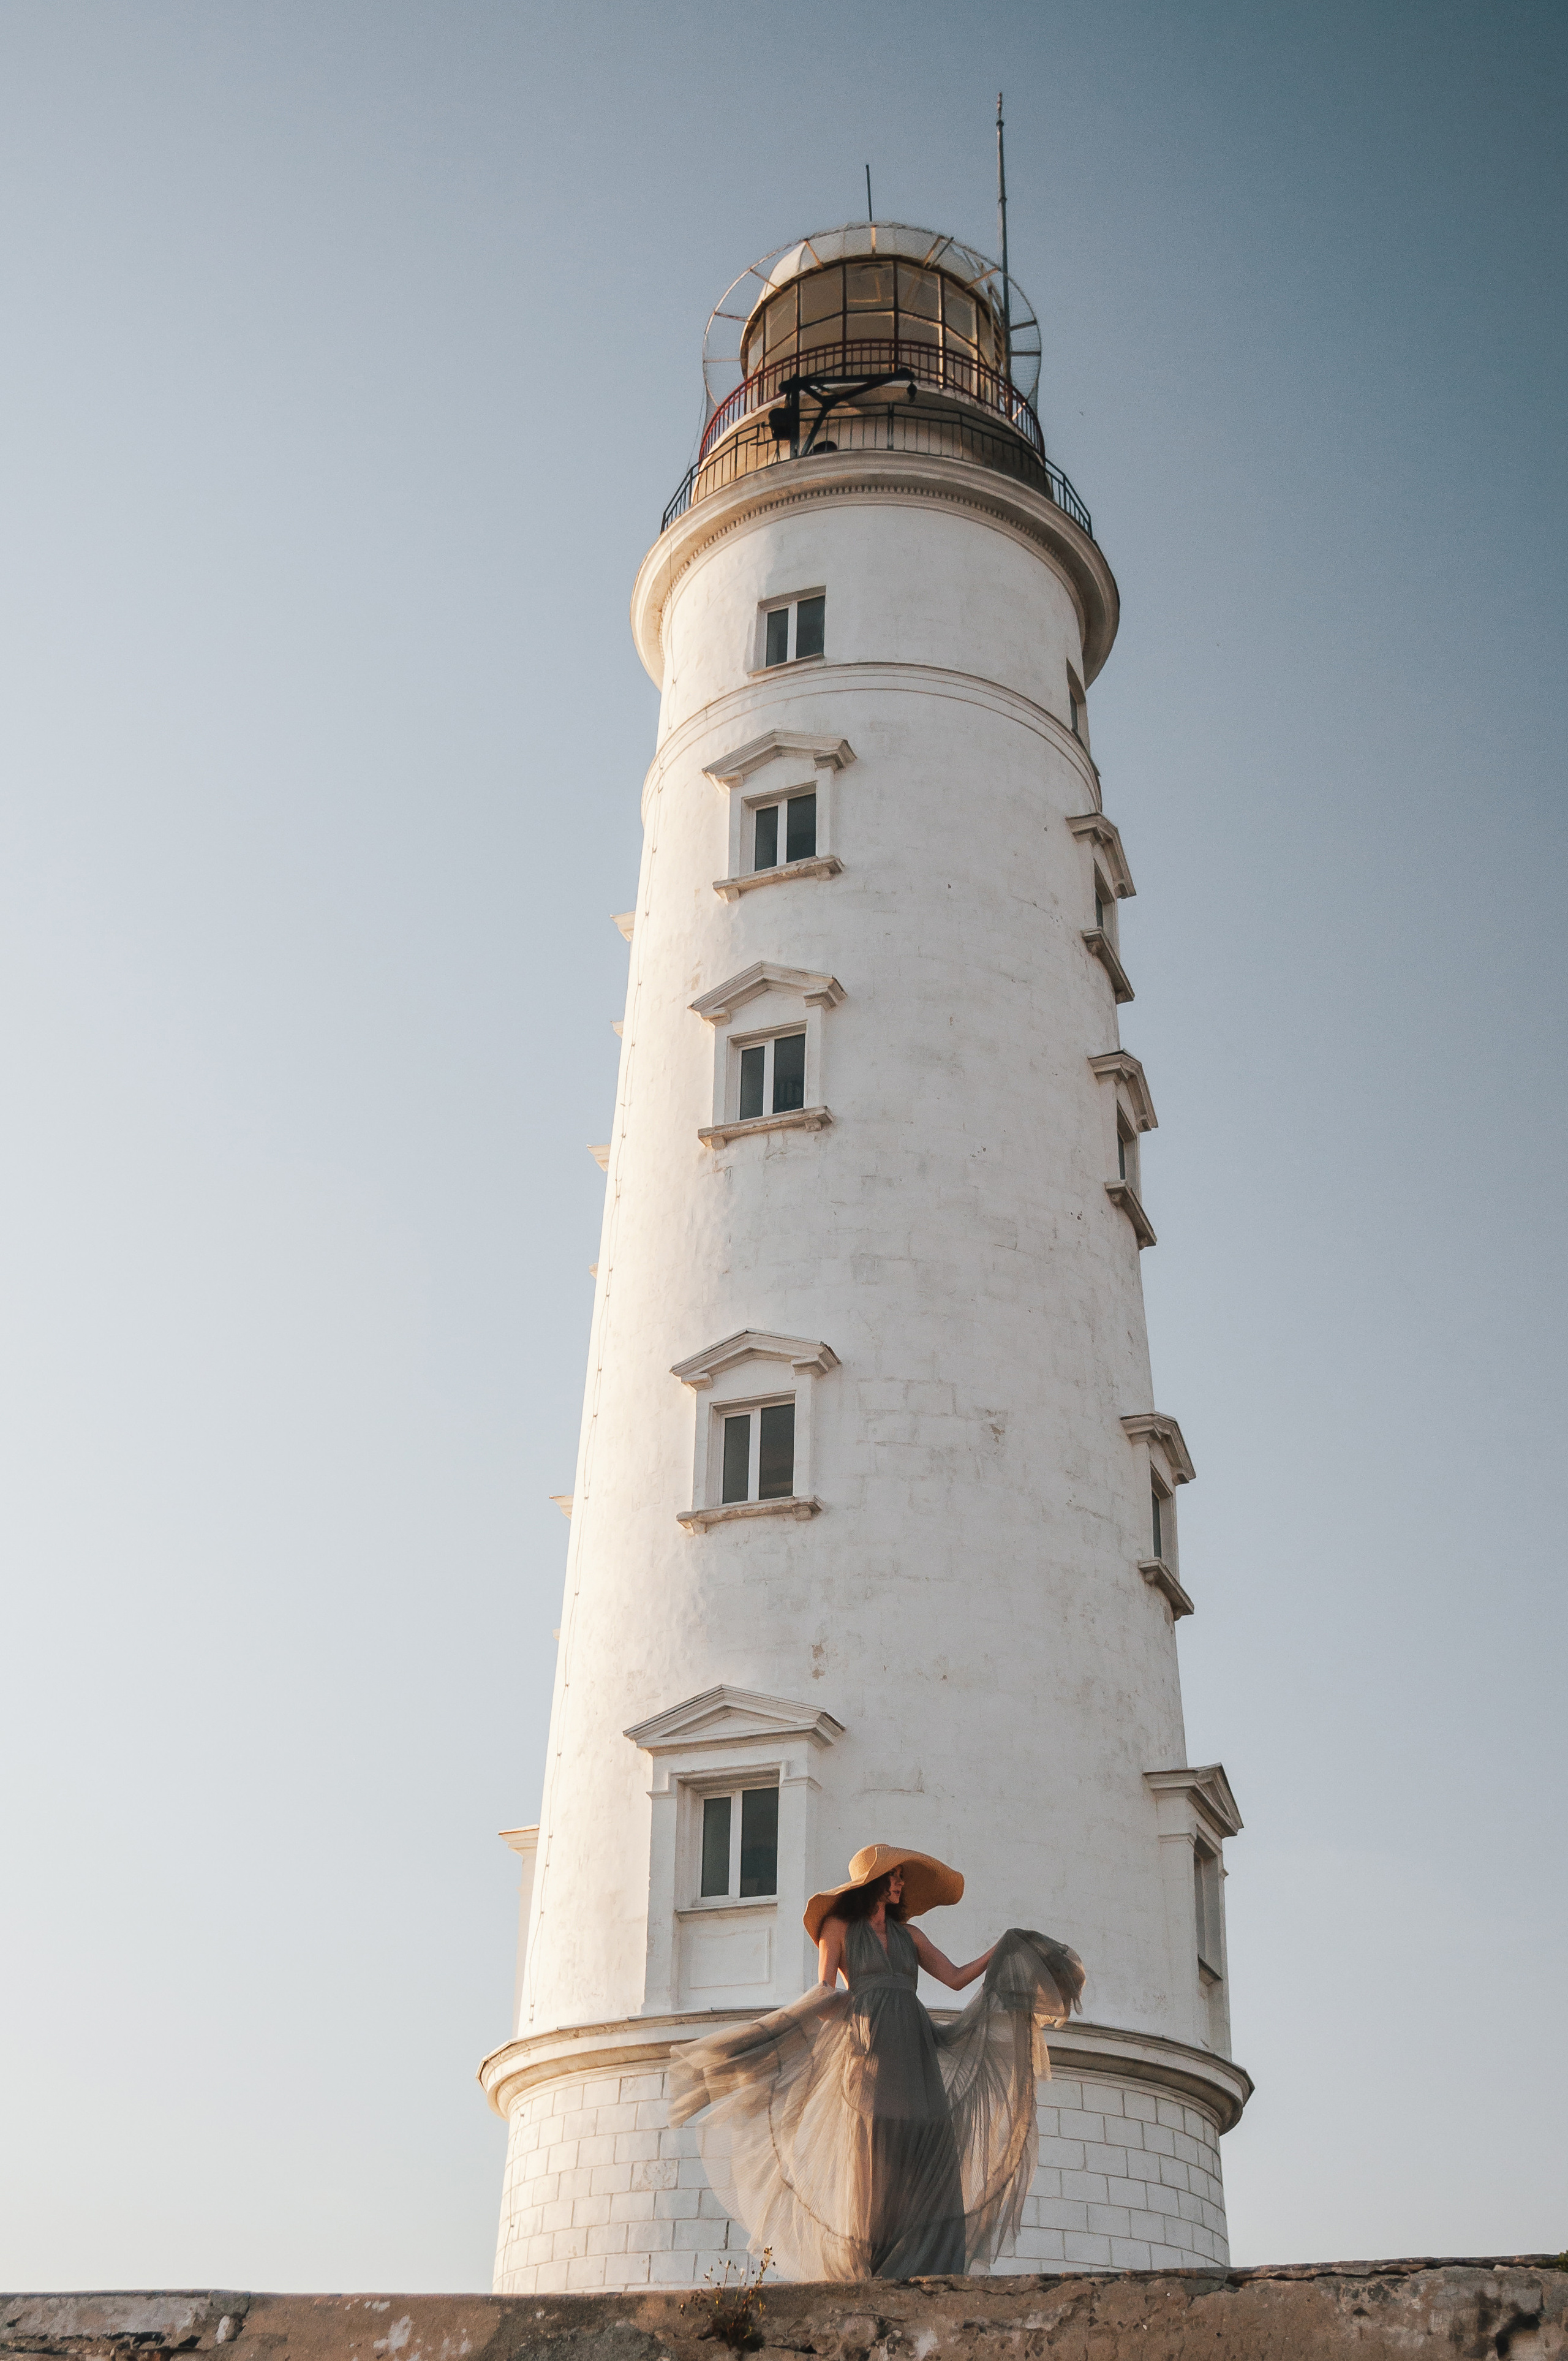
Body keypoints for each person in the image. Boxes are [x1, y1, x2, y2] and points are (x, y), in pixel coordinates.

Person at [666, 1842, 1084, 2282]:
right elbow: (825, 1991)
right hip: (870, 2049)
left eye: (902, 1876)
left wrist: (1001, 1949)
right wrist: (817, 2016)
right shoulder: (838, 1927)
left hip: (915, 2046)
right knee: (876, 2144)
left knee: (926, 2136)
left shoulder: (912, 1937)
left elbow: (957, 1979)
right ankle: (875, 2265)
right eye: (895, 1876)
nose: (901, 1883)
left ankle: (929, 2262)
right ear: (874, 1882)